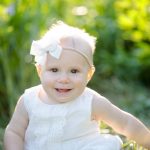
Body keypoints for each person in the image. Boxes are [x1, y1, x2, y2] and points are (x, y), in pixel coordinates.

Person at [4, 21, 150, 150]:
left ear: (89, 75)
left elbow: (125, 123)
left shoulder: (92, 102)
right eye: (54, 70)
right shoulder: (28, 100)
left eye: (74, 71)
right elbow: (14, 132)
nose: (63, 79)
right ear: (40, 70)